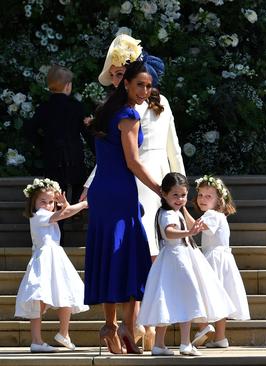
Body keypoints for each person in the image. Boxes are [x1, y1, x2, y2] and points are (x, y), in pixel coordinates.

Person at [83, 34, 185, 262]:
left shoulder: (129, 107)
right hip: (157, 175)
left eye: (119, 74)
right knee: (153, 238)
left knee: (143, 240)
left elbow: (117, 151)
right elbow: (174, 149)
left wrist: (91, 184)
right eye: (114, 75)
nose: (116, 81)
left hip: (136, 176)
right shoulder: (161, 101)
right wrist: (180, 183)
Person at [85, 59, 160, 354]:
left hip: (102, 191)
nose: (144, 90)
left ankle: (111, 326)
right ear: (126, 83)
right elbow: (133, 162)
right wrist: (160, 190)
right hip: (119, 193)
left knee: (111, 254)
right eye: (139, 84)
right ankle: (126, 328)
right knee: (126, 255)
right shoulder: (129, 115)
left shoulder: (106, 111)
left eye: (148, 85)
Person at [137, 173, 235, 356]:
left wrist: (188, 226)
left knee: (174, 300)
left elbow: (185, 227)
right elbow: (169, 232)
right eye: (175, 195)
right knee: (187, 298)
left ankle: (163, 345)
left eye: (183, 195)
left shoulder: (175, 212)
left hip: (178, 259)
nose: (180, 199)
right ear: (164, 194)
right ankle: (183, 343)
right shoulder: (167, 214)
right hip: (177, 259)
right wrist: (188, 232)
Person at [16, 178, 89, 353]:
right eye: (43, 201)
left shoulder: (48, 215)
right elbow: (63, 215)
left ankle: (64, 333)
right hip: (45, 260)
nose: (48, 205)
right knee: (39, 299)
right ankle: (36, 340)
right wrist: (84, 204)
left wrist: (65, 204)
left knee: (65, 294)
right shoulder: (39, 215)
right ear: (33, 202)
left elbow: (63, 213)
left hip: (56, 257)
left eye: (51, 202)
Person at [23, 64, 92, 243]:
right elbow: (87, 133)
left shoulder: (44, 107)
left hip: (53, 157)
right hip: (74, 154)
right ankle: (76, 213)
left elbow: (29, 130)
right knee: (78, 184)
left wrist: (42, 145)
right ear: (68, 86)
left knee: (54, 192)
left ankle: (57, 231)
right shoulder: (76, 106)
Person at [192, 175, 250, 348]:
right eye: (200, 195)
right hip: (224, 259)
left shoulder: (211, 215)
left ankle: (203, 326)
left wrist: (181, 212)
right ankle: (220, 338)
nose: (202, 199)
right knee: (220, 298)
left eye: (208, 196)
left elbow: (195, 228)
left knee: (204, 294)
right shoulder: (219, 215)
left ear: (219, 200)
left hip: (213, 260)